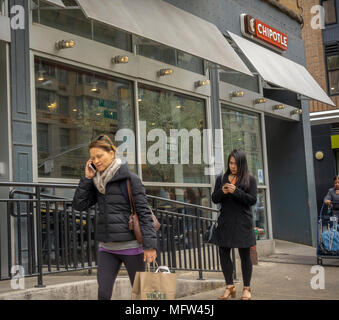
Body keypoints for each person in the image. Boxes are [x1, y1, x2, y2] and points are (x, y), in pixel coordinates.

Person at [72, 134, 157, 300]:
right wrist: (87, 179)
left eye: (99, 156)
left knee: (141, 293)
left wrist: (149, 245)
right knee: (103, 293)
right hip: (107, 247)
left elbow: (144, 213)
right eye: (92, 158)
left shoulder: (130, 179)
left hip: (132, 246)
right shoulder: (97, 181)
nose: (96, 161)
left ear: (112, 153)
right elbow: (79, 205)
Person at [211, 149, 257, 300]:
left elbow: (252, 200)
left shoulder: (249, 179)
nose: (233, 166)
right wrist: (223, 191)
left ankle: (246, 288)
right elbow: (215, 199)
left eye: (236, 163)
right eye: (230, 163)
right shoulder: (221, 178)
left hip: (243, 222)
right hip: (226, 222)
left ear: (242, 164)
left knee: (245, 255)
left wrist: (236, 191)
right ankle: (229, 286)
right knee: (223, 252)